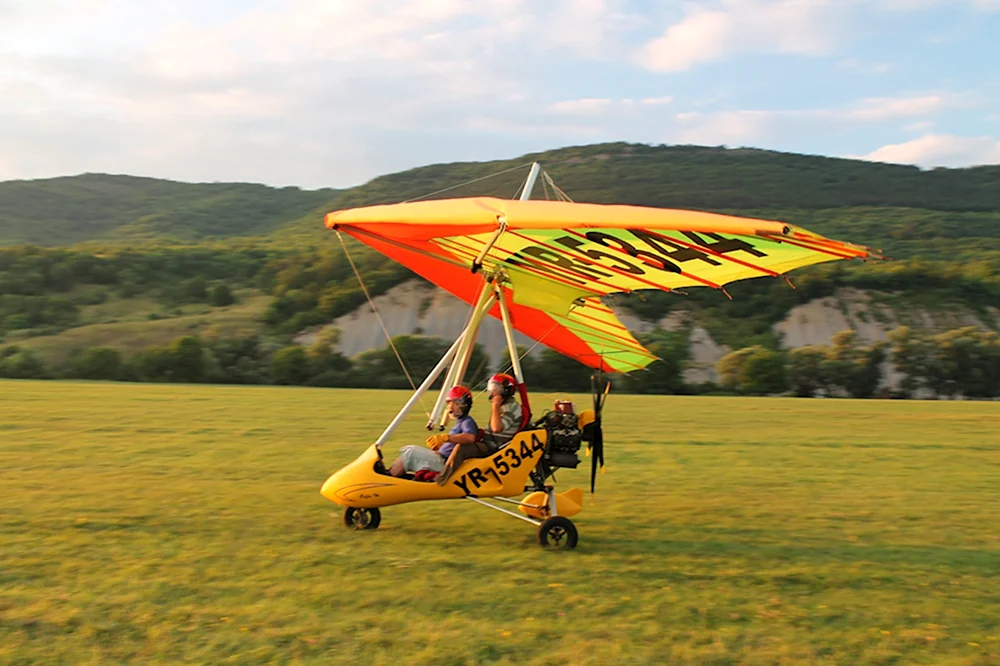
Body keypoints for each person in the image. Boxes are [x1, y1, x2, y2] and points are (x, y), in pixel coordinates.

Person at [435, 373, 523, 485]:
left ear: (505, 390)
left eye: (495, 388)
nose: (491, 392)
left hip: (494, 448)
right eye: (491, 388)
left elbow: (496, 428)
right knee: (459, 441)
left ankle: (441, 480)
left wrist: (495, 406)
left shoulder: (511, 407)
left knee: (462, 447)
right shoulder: (505, 405)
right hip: (487, 443)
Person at [387, 385, 477, 478]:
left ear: (464, 405)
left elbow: (470, 438)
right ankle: (391, 474)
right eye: (449, 404)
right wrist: (441, 447)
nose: (450, 407)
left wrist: (446, 438)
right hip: (441, 457)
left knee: (410, 453)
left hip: (444, 463)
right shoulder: (460, 422)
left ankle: (390, 477)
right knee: (409, 448)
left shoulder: (467, 421)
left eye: (455, 404)